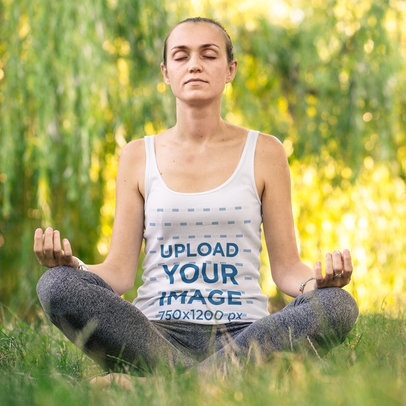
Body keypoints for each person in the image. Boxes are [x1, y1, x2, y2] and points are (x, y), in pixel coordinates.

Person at [34, 17, 358, 384]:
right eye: (181, 55)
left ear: (230, 69)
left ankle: (164, 383)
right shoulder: (138, 155)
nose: (194, 64)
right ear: (166, 72)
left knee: (337, 305)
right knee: (55, 284)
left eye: (209, 55)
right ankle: (214, 382)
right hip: (154, 336)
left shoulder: (266, 151)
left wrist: (320, 283)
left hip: (244, 336)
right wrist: (73, 266)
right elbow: (119, 273)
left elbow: (286, 271)